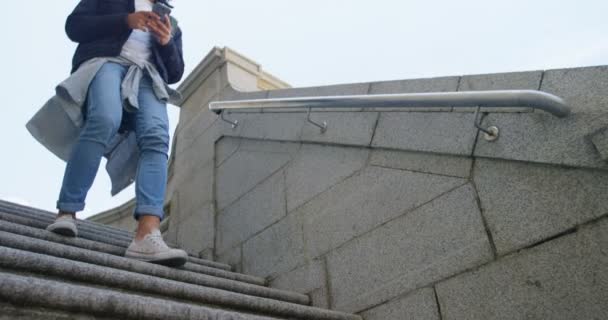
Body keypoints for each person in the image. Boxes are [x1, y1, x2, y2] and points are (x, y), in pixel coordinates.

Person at [35, 0, 187, 266]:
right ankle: (67, 213)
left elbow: (174, 72)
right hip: (106, 62)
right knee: (105, 119)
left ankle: (147, 233)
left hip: (147, 77)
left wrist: (166, 42)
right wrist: (125, 21)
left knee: (157, 137)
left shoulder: (169, 20)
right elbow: (74, 27)